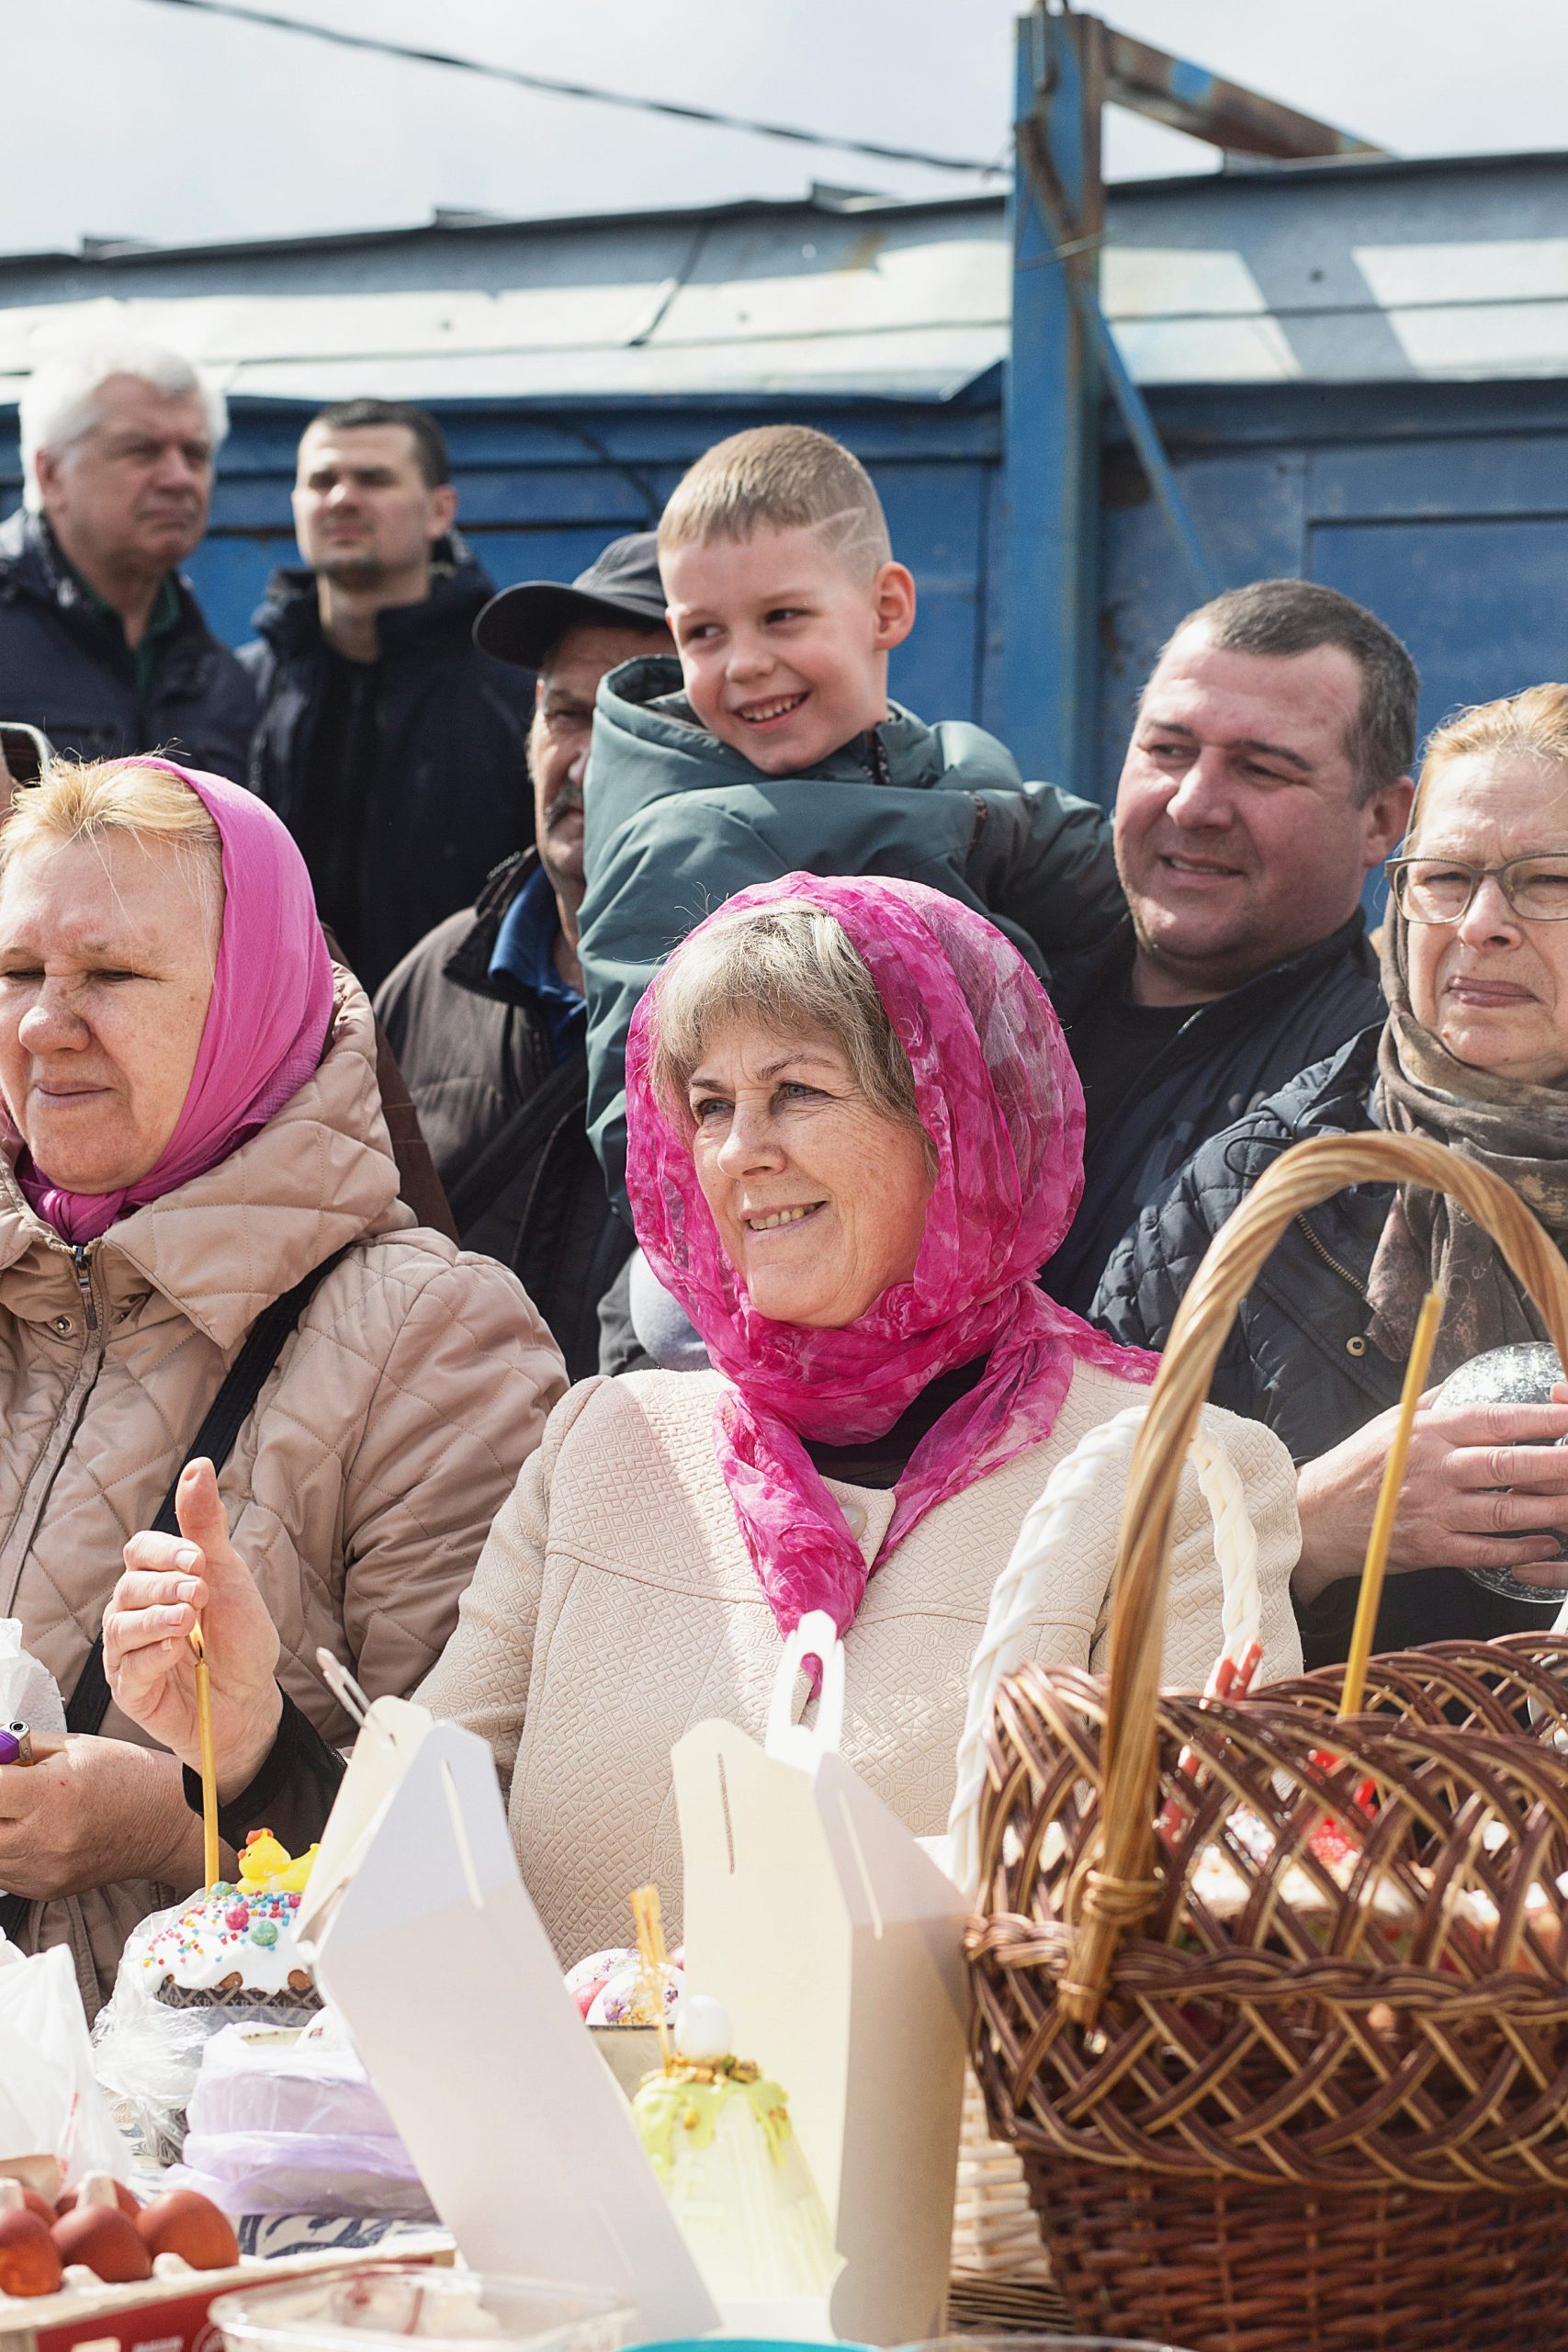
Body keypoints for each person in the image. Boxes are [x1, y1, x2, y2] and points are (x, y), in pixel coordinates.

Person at [104, 875, 1303, 1958]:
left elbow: (1198, 1944)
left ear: (956, 1127)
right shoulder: (605, 1444)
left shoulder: (1172, 1478)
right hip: (566, 2137)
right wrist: (249, 1734)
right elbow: (396, 1884)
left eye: (797, 1093)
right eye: (710, 1105)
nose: (737, 1154)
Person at [0, 756, 565, 2009]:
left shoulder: (430, 1337)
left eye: (111, 974)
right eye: (18, 971)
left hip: (204, 2118)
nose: (44, 1023)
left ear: (250, 1007)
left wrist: (177, 1819)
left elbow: (487, 1858)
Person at [1096, 683, 1568, 1666]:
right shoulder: (1254, 1192)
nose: (1480, 923)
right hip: (1332, 1758)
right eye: (1445, 877)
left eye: (1549, 883)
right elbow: (1076, 1574)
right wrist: (1308, 1521)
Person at [576, 424, 1124, 1209]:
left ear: (886, 608)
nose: (743, 663)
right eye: (704, 633)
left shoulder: (969, 784)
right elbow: (655, 1149)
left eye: (781, 616)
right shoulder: (682, 848)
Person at [1043, 579, 1416, 1315]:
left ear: (1379, 819)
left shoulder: (1374, 1103)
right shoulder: (997, 972)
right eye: (1167, 749)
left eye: (1261, 769)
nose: (1193, 804)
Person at [375, 534, 671, 1376]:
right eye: (568, 716)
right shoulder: (436, 980)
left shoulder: (763, 1005)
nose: (587, 762)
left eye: (636, 721)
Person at [243, 399, 535, 992]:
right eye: (320, 480)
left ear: (439, 510)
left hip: (458, 1029)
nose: (341, 498)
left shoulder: (516, 695)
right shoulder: (240, 688)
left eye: (373, 479)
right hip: (273, 1030)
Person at [0, 343, 254, 780]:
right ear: (51, 474)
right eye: (142, 450)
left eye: (195, 454)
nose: (179, 478)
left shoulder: (221, 677)